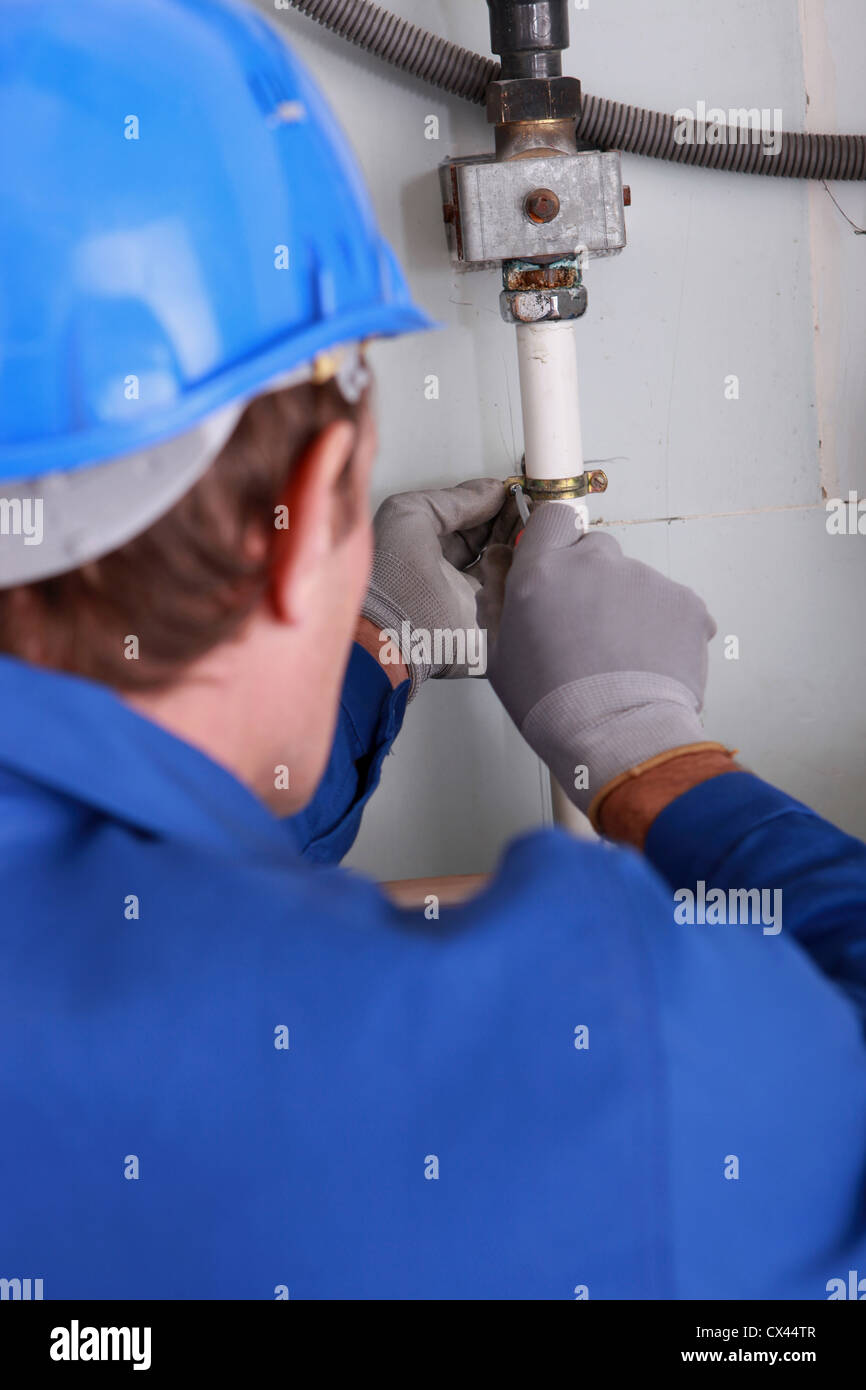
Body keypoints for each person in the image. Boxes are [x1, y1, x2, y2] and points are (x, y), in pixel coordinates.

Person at [0, 0, 864, 1302]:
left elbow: (104, 873)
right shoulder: (597, 1067)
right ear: (311, 503)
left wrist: (374, 644)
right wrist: (648, 750)